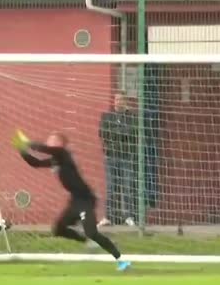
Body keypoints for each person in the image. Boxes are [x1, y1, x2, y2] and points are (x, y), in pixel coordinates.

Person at [12, 130, 130, 271]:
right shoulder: (56, 160)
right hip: (75, 201)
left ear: (60, 144)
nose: (49, 142)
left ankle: (121, 260)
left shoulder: (64, 154)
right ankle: (88, 241)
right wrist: (22, 151)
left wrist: (27, 143)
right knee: (59, 229)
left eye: (52, 140)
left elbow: (45, 148)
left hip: (86, 199)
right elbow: (35, 163)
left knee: (92, 232)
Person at [98, 93, 138, 227]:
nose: (118, 102)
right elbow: (103, 133)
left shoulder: (132, 116)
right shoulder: (106, 116)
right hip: (111, 156)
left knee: (128, 186)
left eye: (121, 99)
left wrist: (115, 131)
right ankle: (109, 217)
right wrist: (122, 132)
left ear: (126, 101)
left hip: (127, 156)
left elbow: (133, 133)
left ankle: (128, 216)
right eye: (116, 99)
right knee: (111, 188)